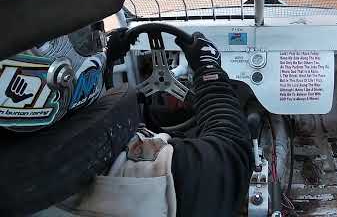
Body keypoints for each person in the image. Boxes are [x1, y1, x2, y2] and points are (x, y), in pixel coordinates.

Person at [35, 32, 253, 217]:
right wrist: (208, 70)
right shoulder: (125, 178)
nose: (92, 46)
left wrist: (109, 61)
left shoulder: (33, 161)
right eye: (83, 42)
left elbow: (111, 129)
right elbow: (232, 159)